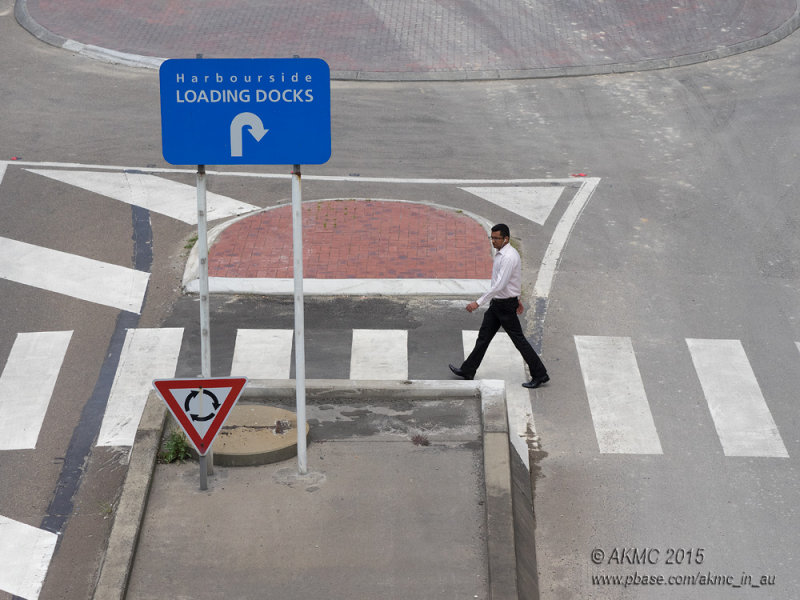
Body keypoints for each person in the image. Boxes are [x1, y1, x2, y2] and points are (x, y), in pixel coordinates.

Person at [449, 224, 550, 389]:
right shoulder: (501, 254)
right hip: (499, 304)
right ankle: (468, 370)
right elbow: (512, 281)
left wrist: (478, 302)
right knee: (483, 338)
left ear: (506, 239)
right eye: (492, 237)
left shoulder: (509, 257)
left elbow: (500, 285)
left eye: (496, 238)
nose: (493, 241)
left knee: (519, 341)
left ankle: (540, 374)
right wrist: (516, 298)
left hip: (504, 306)